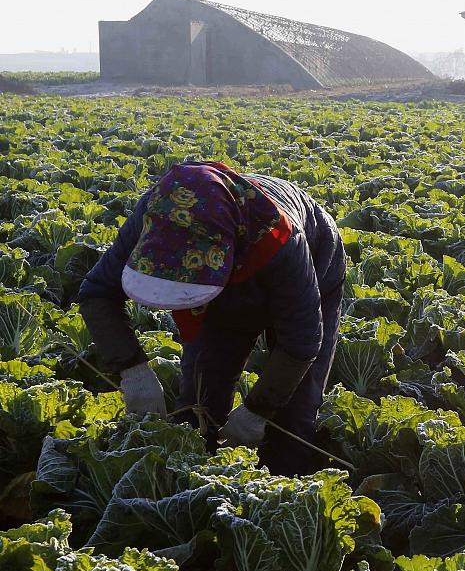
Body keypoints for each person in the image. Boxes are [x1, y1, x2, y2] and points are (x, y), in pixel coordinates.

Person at [78, 161, 345, 477]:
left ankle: (286, 491)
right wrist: (132, 370)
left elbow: (301, 342)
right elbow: (97, 292)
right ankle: (193, 491)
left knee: (293, 416)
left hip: (313, 263)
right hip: (221, 291)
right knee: (197, 407)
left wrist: (257, 410)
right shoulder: (154, 215)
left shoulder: (280, 237)